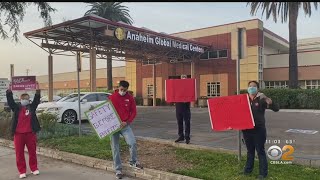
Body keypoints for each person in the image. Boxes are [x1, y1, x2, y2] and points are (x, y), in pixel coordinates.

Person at [241, 81, 279, 180]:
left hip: (259, 130)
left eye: (254, 86)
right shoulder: (244, 99)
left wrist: (269, 101)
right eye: (250, 86)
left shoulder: (262, 99)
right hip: (246, 129)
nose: (251, 88)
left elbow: (276, 109)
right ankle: (248, 170)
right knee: (250, 151)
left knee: (260, 151)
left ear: (257, 89)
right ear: (247, 88)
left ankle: (263, 174)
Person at [108, 80, 143, 179]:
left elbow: (133, 112)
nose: (122, 91)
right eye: (121, 89)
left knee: (132, 143)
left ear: (127, 89)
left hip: (125, 126)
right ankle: (118, 169)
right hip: (114, 127)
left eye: (124, 90)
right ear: (118, 87)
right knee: (115, 147)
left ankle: (133, 161)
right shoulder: (112, 97)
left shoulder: (130, 98)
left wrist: (127, 122)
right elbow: (106, 111)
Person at [6, 83, 41, 179]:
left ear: (28, 100)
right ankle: (22, 171)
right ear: (20, 100)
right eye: (23, 98)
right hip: (18, 135)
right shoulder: (16, 108)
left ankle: (34, 168)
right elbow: (10, 101)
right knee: (19, 153)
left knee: (32, 152)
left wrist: (37, 90)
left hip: (30, 134)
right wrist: (9, 91)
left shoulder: (31, 107)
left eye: (26, 98)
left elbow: (37, 100)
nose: (25, 100)